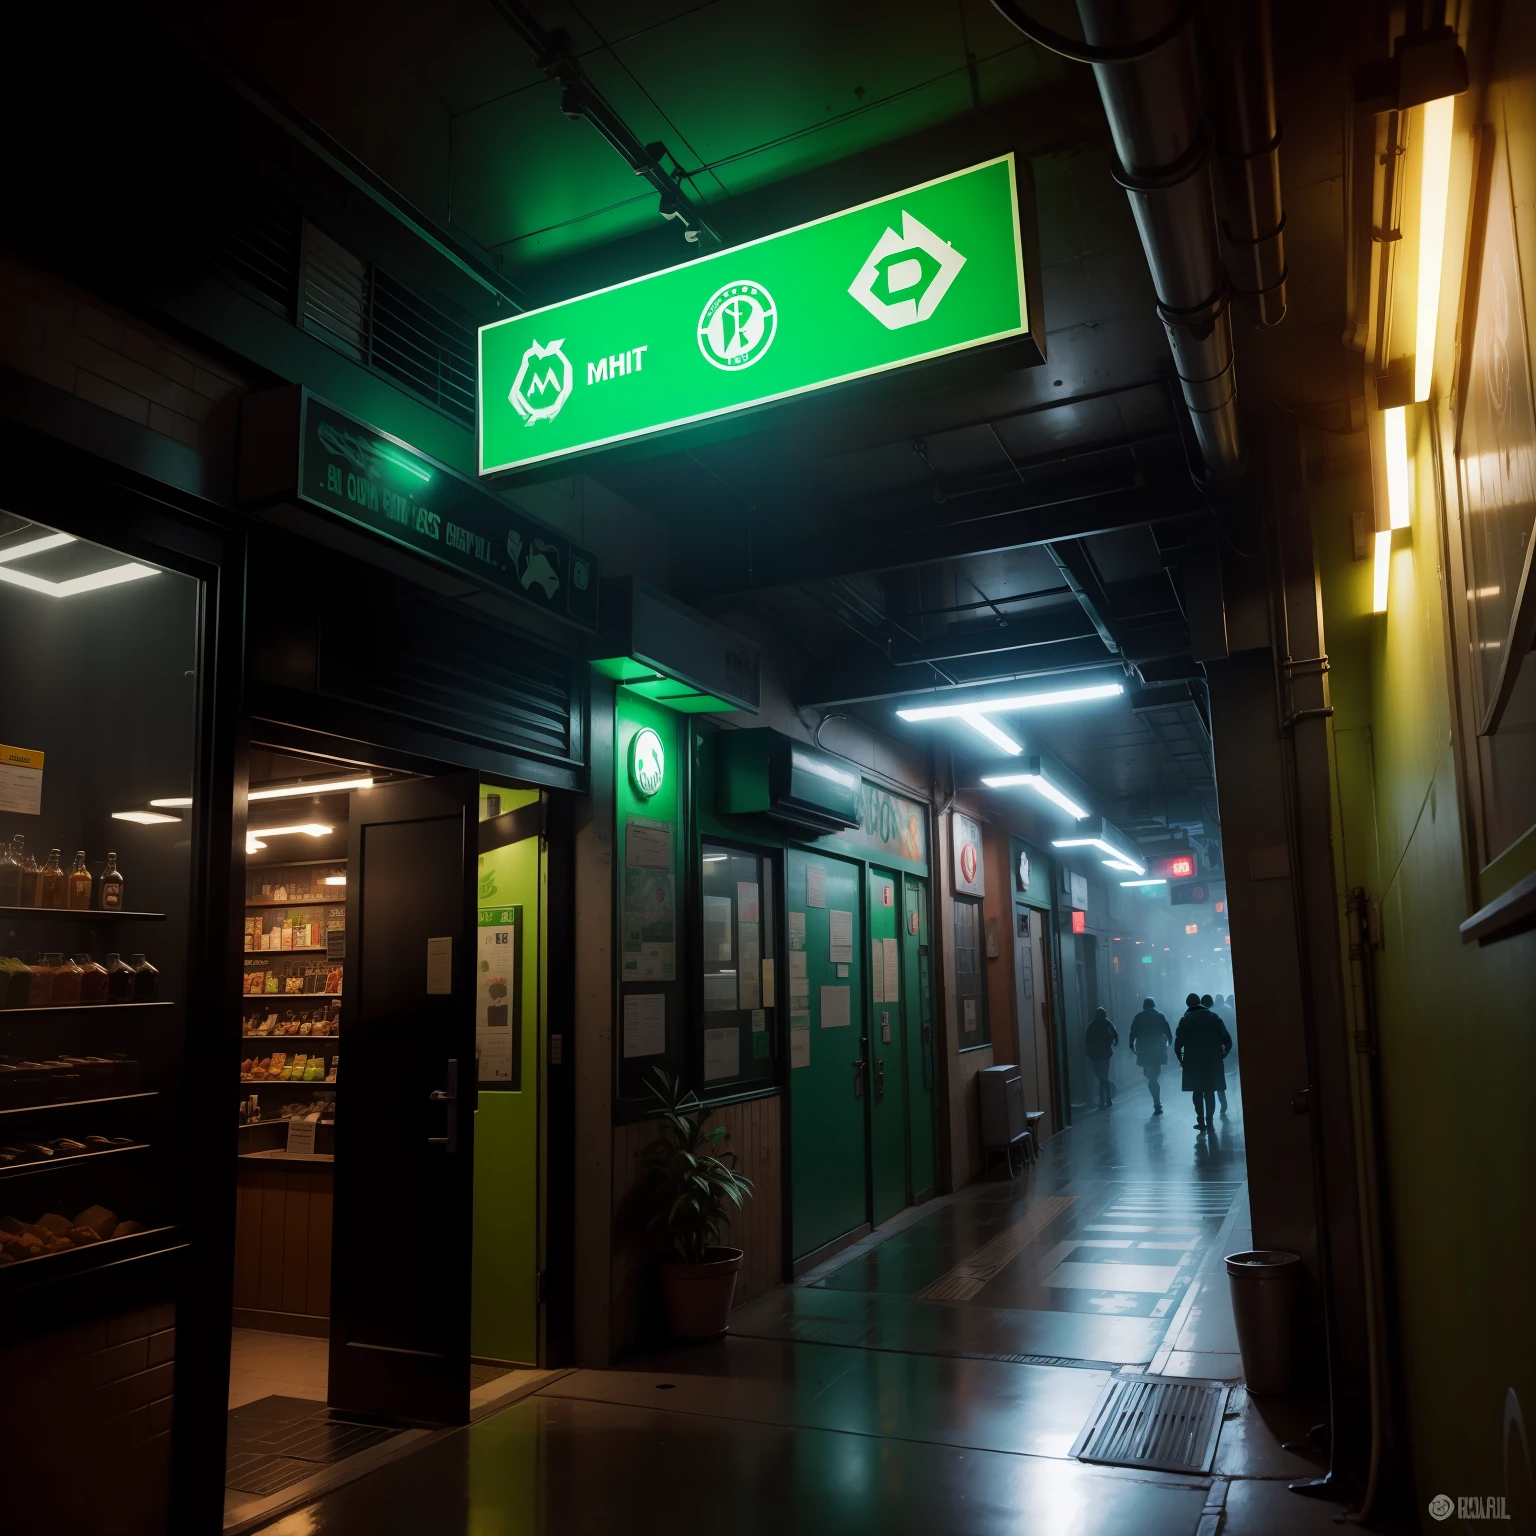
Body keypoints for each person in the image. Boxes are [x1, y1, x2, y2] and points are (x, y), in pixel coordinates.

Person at [1175, 992, 1232, 1131]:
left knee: (1197, 1091)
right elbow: (1227, 1040)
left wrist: (1181, 1059)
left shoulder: (1185, 1020)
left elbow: (1178, 1045)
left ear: (1188, 1004)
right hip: (1212, 1060)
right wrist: (1224, 1053)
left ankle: (1200, 1120)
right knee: (1210, 1090)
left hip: (1193, 1061)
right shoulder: (1213, 1017)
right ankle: (1210, 1119)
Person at [1127, 996, 1172, 1114]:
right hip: (1158, 1050)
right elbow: (1167, 1031)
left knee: (1149, 1075)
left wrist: (1131, 1045)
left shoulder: (1138, 1017)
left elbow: (1133, 1032)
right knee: (1154, 1075)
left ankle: (1156, 1100)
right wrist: (1169, 1043)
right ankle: (1156, 1100)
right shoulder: (1160, 1015)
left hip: (1144, 1050)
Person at [1085, 1007, 1119, 1108]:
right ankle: (1106, 1097)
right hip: (1105, 1054)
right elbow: (1115, 1035)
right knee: (1103, 1076)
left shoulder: (1091, 1025)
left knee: (1101, 1077)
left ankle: (1103, 1099)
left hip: (1095, 1056)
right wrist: (1114, 1042)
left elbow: (1087, 1041)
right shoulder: (1107, 1023)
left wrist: (1088, 1053)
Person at [1201, 994, 1230, 1115]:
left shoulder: (1196, 1020)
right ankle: (1223, 1105)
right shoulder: (1216, 1018)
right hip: (1216, 1055)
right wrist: (1224, 1052)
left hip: (1202, 1057)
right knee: (1219, 1083)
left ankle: (1209, 1114)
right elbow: (1227, 1039)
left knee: (1206, 1086)